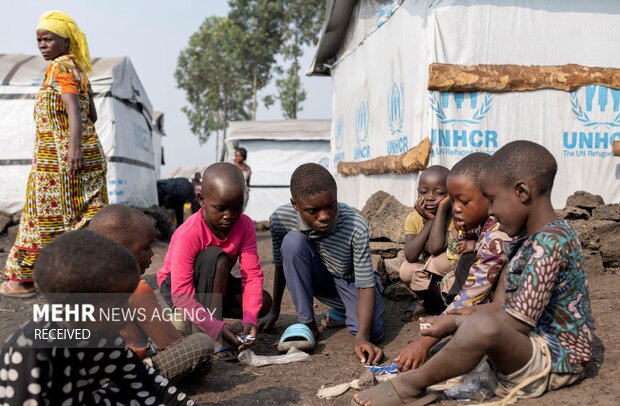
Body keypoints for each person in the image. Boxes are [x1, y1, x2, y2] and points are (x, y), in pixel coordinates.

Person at [353, 141, 593, 405]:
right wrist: (459, 316)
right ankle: (424, 377)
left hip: (556, 361)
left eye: (492, 200)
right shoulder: (532, 237)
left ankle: (409, 387)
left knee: (476, 328)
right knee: (462, 331)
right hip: (534, 344)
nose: (491, 211)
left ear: (522, 192)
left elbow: (516, 323)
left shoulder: (548, 244)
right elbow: (505, 306)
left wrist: (456, 323)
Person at [0, 229, 195, 405]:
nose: (127, 311)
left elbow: (148, 385)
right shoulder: (33, 350)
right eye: (118, 305)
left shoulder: (101, 334)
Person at [1, 10, 108, 298]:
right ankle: (87, 275)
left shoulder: (60, 68)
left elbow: (74, 109)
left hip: (61, 160)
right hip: (87, 155)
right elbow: (92, 114)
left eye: (48, 39)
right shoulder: (78, 70)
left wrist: (72, 149)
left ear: (66, 41)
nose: (42, 44)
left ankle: (25, 281)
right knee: (84, 214)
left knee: (41, 215)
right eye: (39, 40)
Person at [395, 153, 511, 372]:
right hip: (496, 304)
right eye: (453, 201)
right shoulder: (480, 224)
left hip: (523, 330)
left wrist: (425, 341)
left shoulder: (498, 234)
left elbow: (472, 293)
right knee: (466, 260)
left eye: (463, 201)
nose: (455, 208)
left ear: (490, 197)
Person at [260, 163, 385, 365]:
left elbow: (364, 283)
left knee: (373, 332)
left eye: (330, 205)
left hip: (349, 281)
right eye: (313, 210)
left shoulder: (355, 225)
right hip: (319, 277)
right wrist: (274, 310)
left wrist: (361, 336)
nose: (325, 216)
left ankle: (343, 310)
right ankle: (307, 323)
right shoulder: (280, 219)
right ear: (295, 205)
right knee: (292, 243)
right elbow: (282, 266)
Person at [157, 163, 271, 361]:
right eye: (221, 208)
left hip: (213, 286)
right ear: (201, 199)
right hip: (178, 289)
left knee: (263, 302)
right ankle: (214, 336)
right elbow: (182, 295)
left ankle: (204, 322)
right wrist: (216, 328)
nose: (229, 215)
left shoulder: (244, 225)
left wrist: (249, 319)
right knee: (217, 257)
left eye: (237, 208)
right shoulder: (188, 234)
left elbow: (251, 275)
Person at [89, 204, 213, 382]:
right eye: (146, 248)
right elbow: (172, 344)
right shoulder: (135, 289)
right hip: (125, 376)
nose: (152, 254)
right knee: (202, 343)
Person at [398, 165, 469, 320]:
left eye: (439, 193)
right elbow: (410, 255)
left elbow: (435, 247)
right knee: (406, 269)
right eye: (423, 192)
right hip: (432, 277)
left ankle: (450, 307)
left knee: (437, 260)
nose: (430, 197)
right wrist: (430, 221)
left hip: (453, 273)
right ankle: (435, 304)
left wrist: (440, 212)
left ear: (450, 195)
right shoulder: (414, 218)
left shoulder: (456, 217)